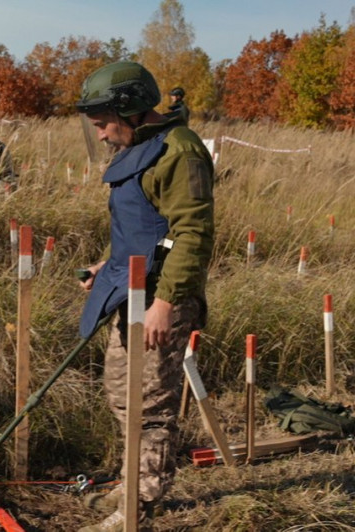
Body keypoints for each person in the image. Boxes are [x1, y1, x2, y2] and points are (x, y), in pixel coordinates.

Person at [75, 61, 214, 532]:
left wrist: (167, 303)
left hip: (161, 299)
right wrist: (103, 265)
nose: (101, 136)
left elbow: (192, 233)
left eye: (103, 125)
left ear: (129, 110)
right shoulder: (141, 147)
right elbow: (143, 229)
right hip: (129, 288)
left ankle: (140, 504)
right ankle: (129, 481)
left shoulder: (181, 151)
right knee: (121, 391)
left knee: (151, 403)